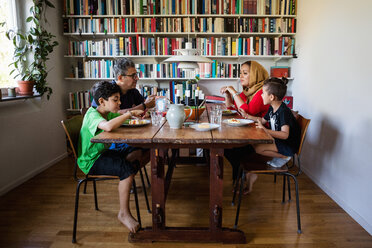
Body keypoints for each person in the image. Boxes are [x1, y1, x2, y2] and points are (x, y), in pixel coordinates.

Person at [78, 81, 146, 233]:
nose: (120, 102)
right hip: (90, 161)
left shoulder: (106, 113)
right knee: (127, 170)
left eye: (119, 99)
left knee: (135, 151)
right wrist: (129, 113)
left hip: (101, 154)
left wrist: (135, 113)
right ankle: (123, 213)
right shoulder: (92, 114)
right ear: (101, 101)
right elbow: (108, 126)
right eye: (115, 100)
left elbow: (121, 118)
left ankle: (125, 177)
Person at [220, 61, 270, 185]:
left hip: (262, 136)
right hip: (250, 131)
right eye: (240, 73)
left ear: (255, 74)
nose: (241, 76)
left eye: (245, 73)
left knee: (228, 148)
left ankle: (241, 175)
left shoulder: (262, 91)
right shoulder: (248, 91)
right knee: (225, 148)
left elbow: (248, 110)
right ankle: (241, 174)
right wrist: (228, 95)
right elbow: (232, 109)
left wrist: (233, 92)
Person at [249, 77, 301, 190]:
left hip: (287, 146)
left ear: (271, 97)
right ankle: (251, 173)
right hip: (279, 142)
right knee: (252, 144)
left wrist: (265, 130)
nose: (261, 95)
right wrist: (247, 116)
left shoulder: (283, 111)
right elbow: (262, 121)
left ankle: (284, 156)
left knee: (258, 149)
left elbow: (285, 134)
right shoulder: (272, 108)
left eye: (263, 93)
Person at [91, 58, 156, 113]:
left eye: (136, 75)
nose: (137, 78)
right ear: (120, 78)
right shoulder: (105, 90)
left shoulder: (133, 91)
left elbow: (147, 108)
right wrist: (143, 106)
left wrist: (146, 111)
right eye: (133, 76)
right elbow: (108, 115)